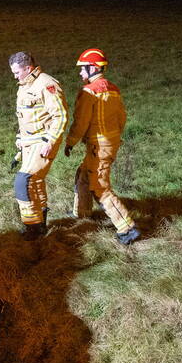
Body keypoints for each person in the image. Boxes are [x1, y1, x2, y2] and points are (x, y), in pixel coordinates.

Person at [63, 48, 140, 245]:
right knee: (83, 175)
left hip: (99, 145)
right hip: (109, 143)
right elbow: (121, 117)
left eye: (82, 69)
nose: (80, 73)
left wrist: (70, 142)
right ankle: (82, 216)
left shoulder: (89, 92)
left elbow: (81, 122)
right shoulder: (113, 89)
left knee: (99, 186)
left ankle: (127, 228)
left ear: (93, 68)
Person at [9, 51, 69, 240]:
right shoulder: (24, 86)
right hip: (29, 143)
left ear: (28, 68)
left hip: (42, 142)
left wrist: (50, 141)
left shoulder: (46, 84)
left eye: (17, 72)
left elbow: (60, 115)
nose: (15, 76)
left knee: (23, 181)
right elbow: (26, 117)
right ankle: (41, 224)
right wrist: (20, 137)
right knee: (35, 182)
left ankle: (32, 226)